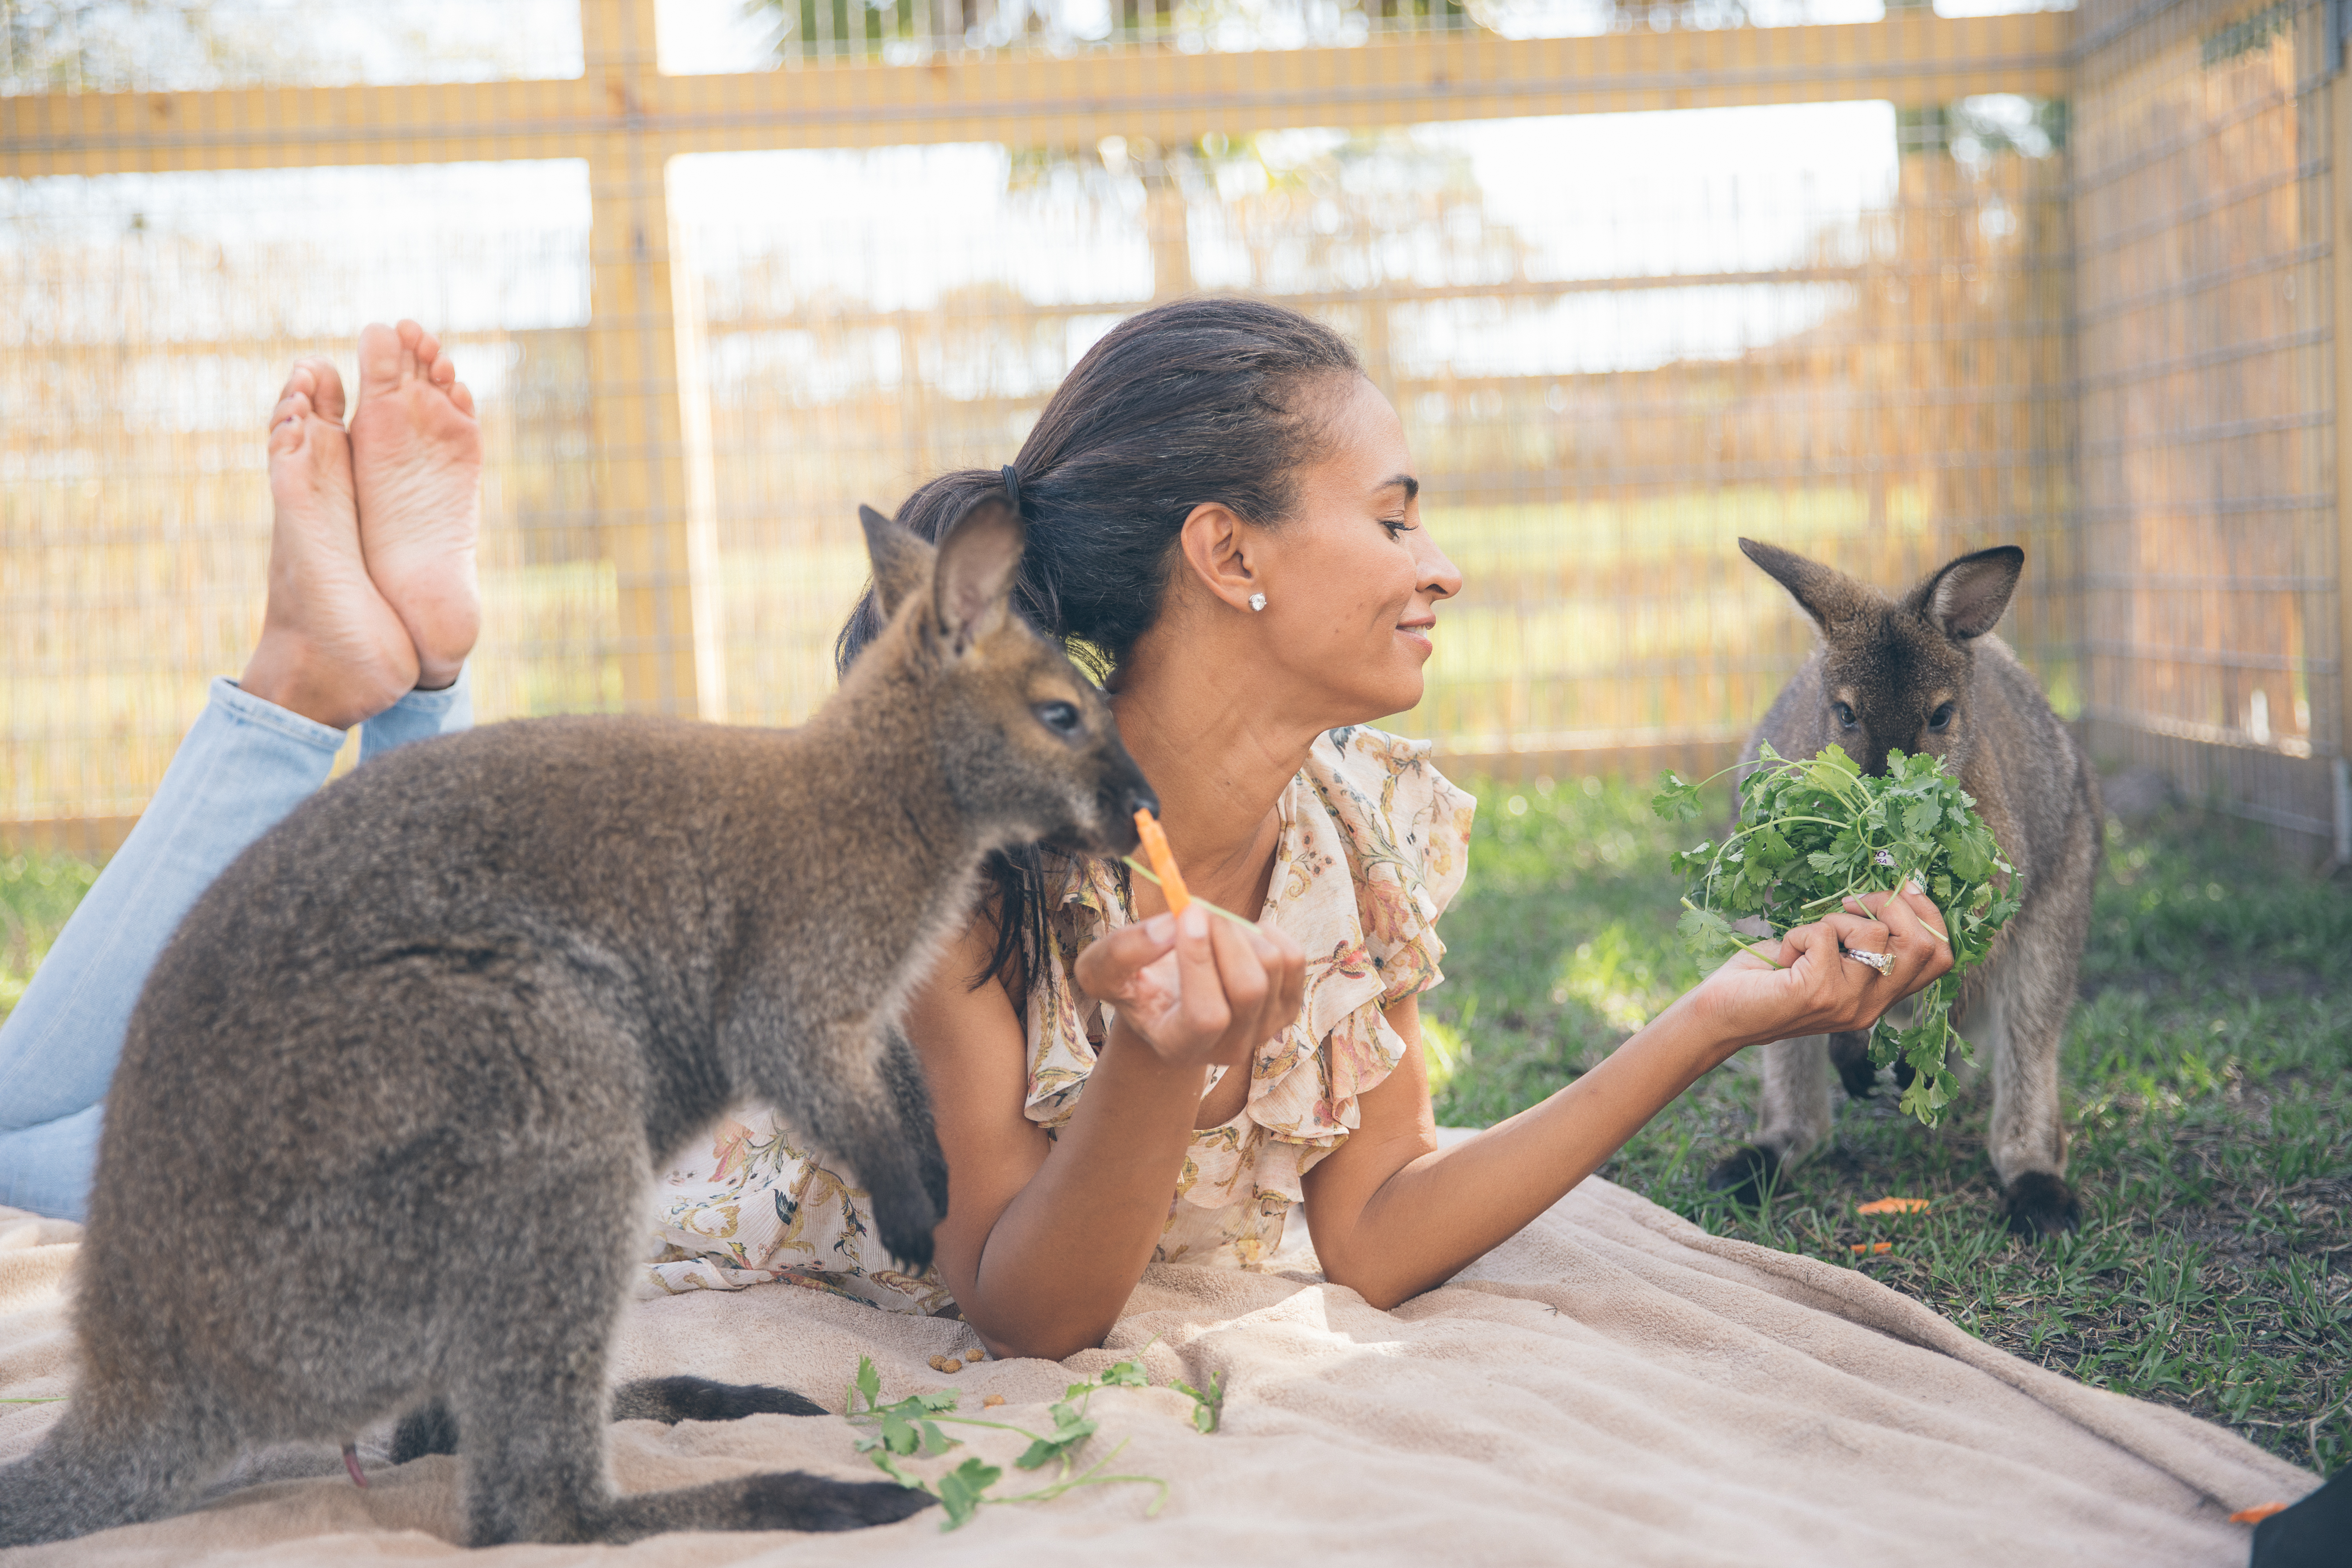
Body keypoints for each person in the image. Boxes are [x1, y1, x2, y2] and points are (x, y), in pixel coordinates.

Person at [0, 301, 1952, 1366]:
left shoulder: (1355, 838)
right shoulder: (979, 866)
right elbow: (1020, 1304)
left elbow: (1367, 1233)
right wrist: (1163, 1086)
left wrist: (1709, 1020)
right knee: (24, 1140)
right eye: (1396, 512)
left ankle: (395, 683)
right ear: (1232, 556)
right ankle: (323, 684)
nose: (1440, 565)